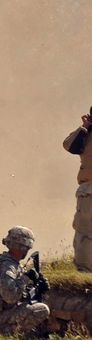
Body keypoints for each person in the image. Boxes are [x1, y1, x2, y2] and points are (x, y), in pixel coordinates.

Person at [0, 226, 50, 336]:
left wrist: (37, 288)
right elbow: (11, 297)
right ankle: (7, 334)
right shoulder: (7, 267)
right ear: (22, 247)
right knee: (41, 309)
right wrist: (26, 277)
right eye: (27, 247)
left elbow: (13, 290)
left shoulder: (2, 261)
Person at [63, 111, 92, 271]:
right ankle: (85, 271)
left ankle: (85, 270)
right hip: (88, 191)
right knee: (85, 232)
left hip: (88, 191)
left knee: (85, 233)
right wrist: (85, 127)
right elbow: (69, 145)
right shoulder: (86, 135)